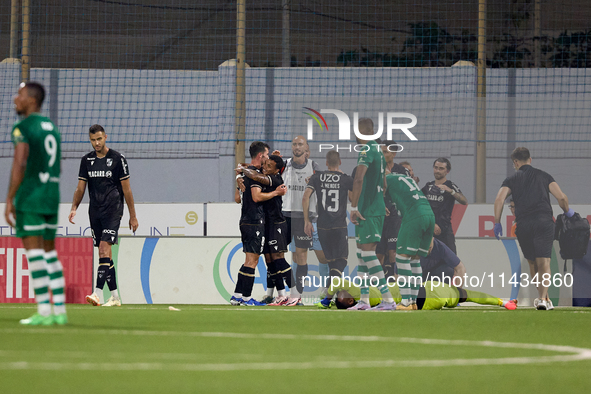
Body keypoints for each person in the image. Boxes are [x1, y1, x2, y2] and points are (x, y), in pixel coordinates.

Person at [4, 82, 67, 325]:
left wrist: (10, 198)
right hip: (52, 195)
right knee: (50, 253)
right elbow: (58, 165)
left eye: (19, 95)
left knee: (34, 254)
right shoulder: (52, 127)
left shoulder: (23, 127)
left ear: (31, 100)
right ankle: (59, 311)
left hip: (31, 196)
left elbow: (20, 162)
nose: (15, 99)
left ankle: (43, 311)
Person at [493, 147, 573, 311]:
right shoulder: (544, 176)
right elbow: (561, 197)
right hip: (543, 222)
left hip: (523, 225)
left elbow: (499, 199)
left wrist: (497, 222)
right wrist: (568, 212)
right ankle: (542, 299)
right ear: (530, 159)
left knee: (532, 263)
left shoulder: (511, 179)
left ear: (515, 162)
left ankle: (544, 298)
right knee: (544, 262)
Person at [69, 124, 138, 307]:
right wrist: (74, 207)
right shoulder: (86, 160)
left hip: (113, 210)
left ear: (105, 137)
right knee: (106, 256)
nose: (96, 143)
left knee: (103, 249)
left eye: (99, 139)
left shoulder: (118, 159)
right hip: (95, 211)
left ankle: (97, 293)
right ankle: (115, 297)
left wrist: (133, 215)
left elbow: (127, 190)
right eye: (93, 140)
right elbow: (80, 187)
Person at [231, 142, 286, 306]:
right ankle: (247, 298)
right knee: (252, 262)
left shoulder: (247, 173)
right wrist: (276, 192)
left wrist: (238, 177)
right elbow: (256, 197)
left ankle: (237, 295)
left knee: (248, 260)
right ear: (261, 156)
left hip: (245, 219)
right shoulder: (255, 174)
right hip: (255, 221)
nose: (268, 158)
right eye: (267, 155)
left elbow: (237, 199)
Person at [349, 118, 395, 311]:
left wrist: (353, 207)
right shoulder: (379, 151)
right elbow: (383, 182)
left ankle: (388, 300)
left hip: (366, 210)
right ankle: (364, 301)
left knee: (368, 253)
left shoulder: (366, 150)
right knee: (361, 255)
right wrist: (380, 202)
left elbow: (358, 179)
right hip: (372, 208)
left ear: (359, 132)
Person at [385, 170, 435, 310]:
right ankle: (413, 302)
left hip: (414, 215)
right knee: (415, 260)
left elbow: (377, 191)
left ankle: (406, 301)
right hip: (429, 213)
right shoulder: (405, 179)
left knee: (401, 258)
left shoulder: (386, 178)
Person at [303, 151, 353, 288]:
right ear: (340, 162)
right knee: (341, 260)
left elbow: (305, 197)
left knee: (331, 261)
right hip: (339, 225)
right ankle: (329, 292)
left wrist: (307, 220)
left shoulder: (317, 177)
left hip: (322, 226)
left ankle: (330, 292)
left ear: (326, 163)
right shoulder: (345, 179)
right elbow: (353, 198)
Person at [282, 136, 321, 305]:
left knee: (301, 257)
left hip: (304, 217)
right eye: (294, 144)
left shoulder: (314, 167)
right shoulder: (284, 165)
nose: (296, 147)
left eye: (300, 144)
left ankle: (297, 294)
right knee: (278, 256)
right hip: (284, 215)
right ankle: (282, 292)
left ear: (306, 149)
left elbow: (321, 191)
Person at [323, 281, 516, 311]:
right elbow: (338, 283)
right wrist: (326, 299)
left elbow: (340, 288)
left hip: (426, 299)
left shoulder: (361, 296)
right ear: (350, 300)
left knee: (409, 308)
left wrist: (329, 302)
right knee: (467, 294)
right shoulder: (365, 292)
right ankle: (505, 302)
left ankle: (405, 307)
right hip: (425, 290)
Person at [375, 141, 409, 278]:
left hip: (395, 217)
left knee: (393, 253)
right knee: (378, 254)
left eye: (385, 152)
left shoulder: (401, 171)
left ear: (394, 154)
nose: (382, 155)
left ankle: (395, 287)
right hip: (379, 216)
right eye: (381, 152)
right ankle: (377, 287)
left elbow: (407, 192)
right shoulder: (376, 169)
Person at [421, 158, 468, 254]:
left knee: (452, 261)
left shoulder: (450, 185)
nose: (437, 171)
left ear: (447, 171)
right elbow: (419, 204)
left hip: (445, 231)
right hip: (429, 229)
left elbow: (464, 201)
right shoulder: (428, 186)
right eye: (436, 167)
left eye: (441, 168)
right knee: (426, 260)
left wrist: (451, 191)